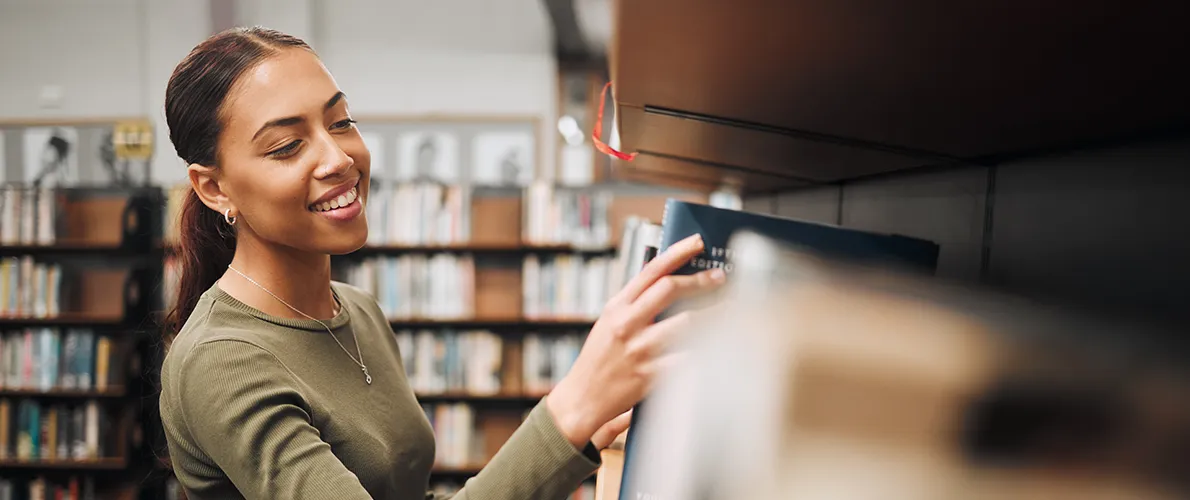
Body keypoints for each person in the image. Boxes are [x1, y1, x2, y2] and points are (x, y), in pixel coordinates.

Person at [158, 26, 725, 500]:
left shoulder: (357, 311)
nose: (338, 158)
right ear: (214, 188)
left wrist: (577, 438)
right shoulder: (222, 361)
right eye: (286, 146)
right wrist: (568, 411)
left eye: (341, 122)